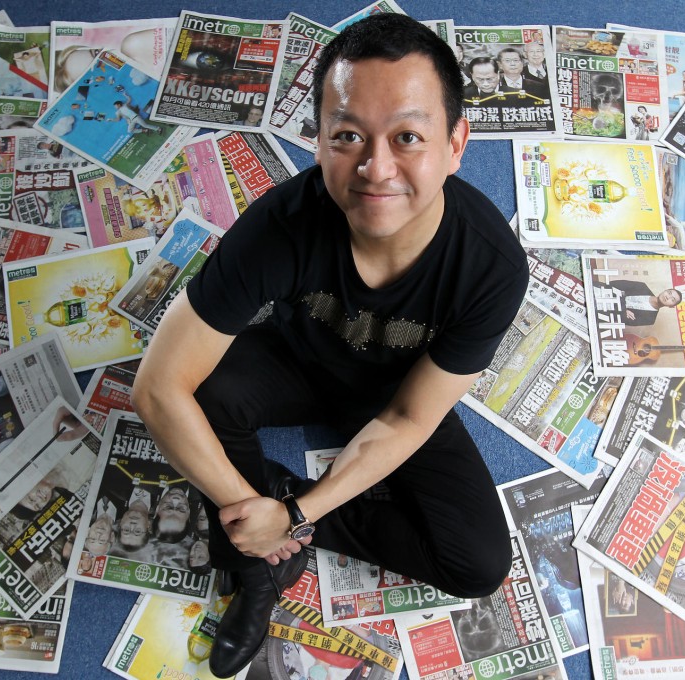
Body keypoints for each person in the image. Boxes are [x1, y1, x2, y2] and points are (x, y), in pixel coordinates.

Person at [132, 14, 528, 677]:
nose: (376, 168)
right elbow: (155, 387)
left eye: (408, 136)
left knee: (478, 566)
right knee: (203, 393)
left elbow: (407, 419)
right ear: (317, 140)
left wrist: (290, 511)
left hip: (396, 392)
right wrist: (249, 516)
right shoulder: (282, 225)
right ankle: (254, 567)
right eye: (348, 136)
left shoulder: (491, 266)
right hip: (302, 358)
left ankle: (272, 510)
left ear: (456, 143)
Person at [605, 279, 682, 326]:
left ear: (671, 306)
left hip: (604, 313)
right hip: (602, 293)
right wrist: (623, 308)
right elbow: (612, 285)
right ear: (664, 290)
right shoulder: (641, 286)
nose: (668, 297)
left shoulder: (650, 319)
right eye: (669, 293)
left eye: (672, 300)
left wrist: (622, 297)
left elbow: (622, 320)